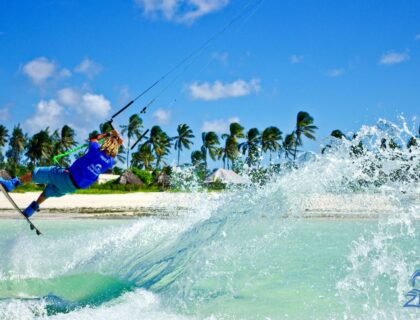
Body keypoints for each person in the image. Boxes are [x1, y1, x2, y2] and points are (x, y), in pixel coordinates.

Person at [0, 130, 123, 217]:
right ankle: (30, 210)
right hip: (72, 188)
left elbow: (93, 138)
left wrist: (109, 134)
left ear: (105, 144)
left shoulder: (95, 150)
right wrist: (117, 139)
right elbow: (118, 145)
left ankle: (11, 184)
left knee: (35, 173)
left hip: (65, 177)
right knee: (48, 191)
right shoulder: (110, 163)